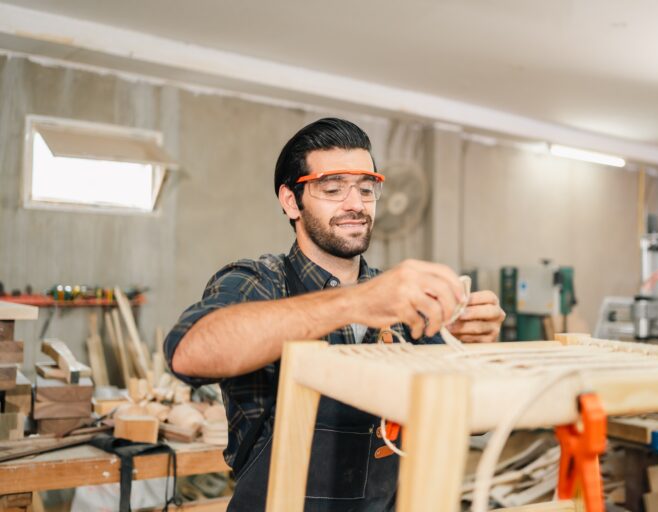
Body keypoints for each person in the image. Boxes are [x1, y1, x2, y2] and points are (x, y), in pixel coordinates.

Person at [164, 117, 506, 511]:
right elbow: (188, 352)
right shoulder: (260, 281)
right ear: (291, 201)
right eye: (332, 189)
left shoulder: (402, 298)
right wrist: (355, 301)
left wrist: (475, 352)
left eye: (366, 190)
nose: (356, 205)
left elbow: (470, 420)